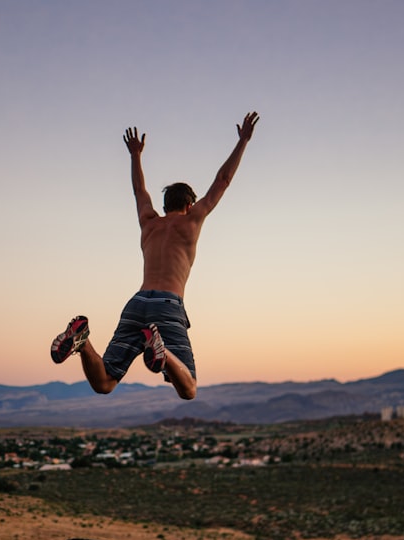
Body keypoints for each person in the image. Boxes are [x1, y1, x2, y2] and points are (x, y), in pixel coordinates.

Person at [51, 111, 259, 400]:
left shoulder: (149, 222)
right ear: (189, 204)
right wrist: (243, 142)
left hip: (137, 303)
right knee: (188, 389)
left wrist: (135, 156)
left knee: (105, 383)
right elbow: (222, 180)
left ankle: (82, 342)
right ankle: (162, 351)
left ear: (165, 205)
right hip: (167, 305)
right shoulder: (192, 220)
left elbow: (139, 190)